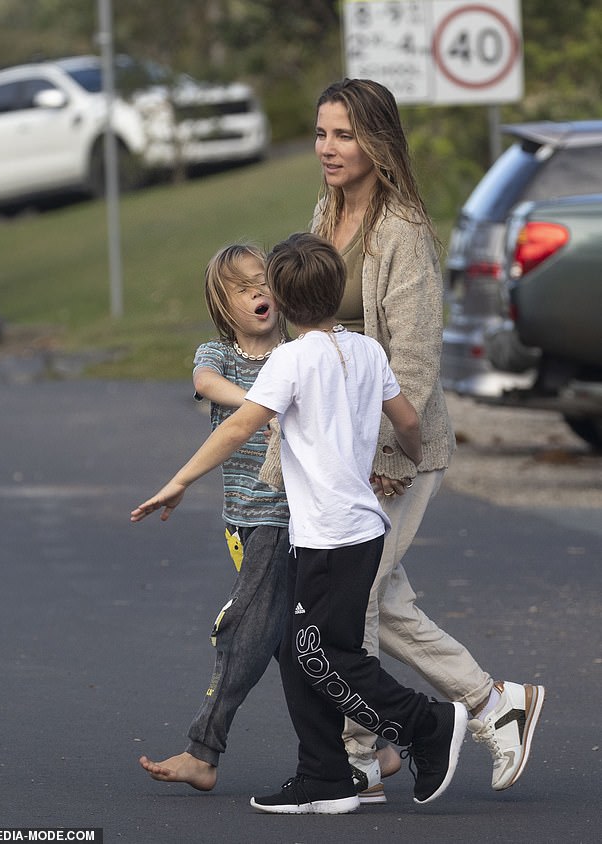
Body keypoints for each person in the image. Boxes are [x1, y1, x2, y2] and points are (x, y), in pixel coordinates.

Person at [132, 232, 468, 813]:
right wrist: (408, 454)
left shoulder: (289, 360)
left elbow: (236, 428)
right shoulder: (366, 350)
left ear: (283, 300)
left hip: (330, 538)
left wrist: (180, 480)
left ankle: (427, 725)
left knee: (323, 656)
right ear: (338, 291)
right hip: (360, 531)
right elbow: (408, 420)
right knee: (302, 648)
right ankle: (326, 777)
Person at [310, 78, 545, 798]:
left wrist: (386, 455)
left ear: (377, 140)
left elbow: (410, 359)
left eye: (343, 135)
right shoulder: (327, 210)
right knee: (382, 598)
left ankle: (366, 747)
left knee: (358, 599)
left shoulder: (401, 227)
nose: (327, 148)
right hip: (339, 445)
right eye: (320, 133)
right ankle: (487, 704)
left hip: (395, 449)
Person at [138, 243, 291, 791]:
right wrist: (260, 407)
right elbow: (205, 384)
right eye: (242, 288)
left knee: (241, 631)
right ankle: (377, 745)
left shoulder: (295, 351)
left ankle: (203, 751)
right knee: (295, 642)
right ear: (223, 307)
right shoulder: (219, 355)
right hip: (241, 522)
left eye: (263, 280)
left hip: (285, 517)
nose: (258, 292)